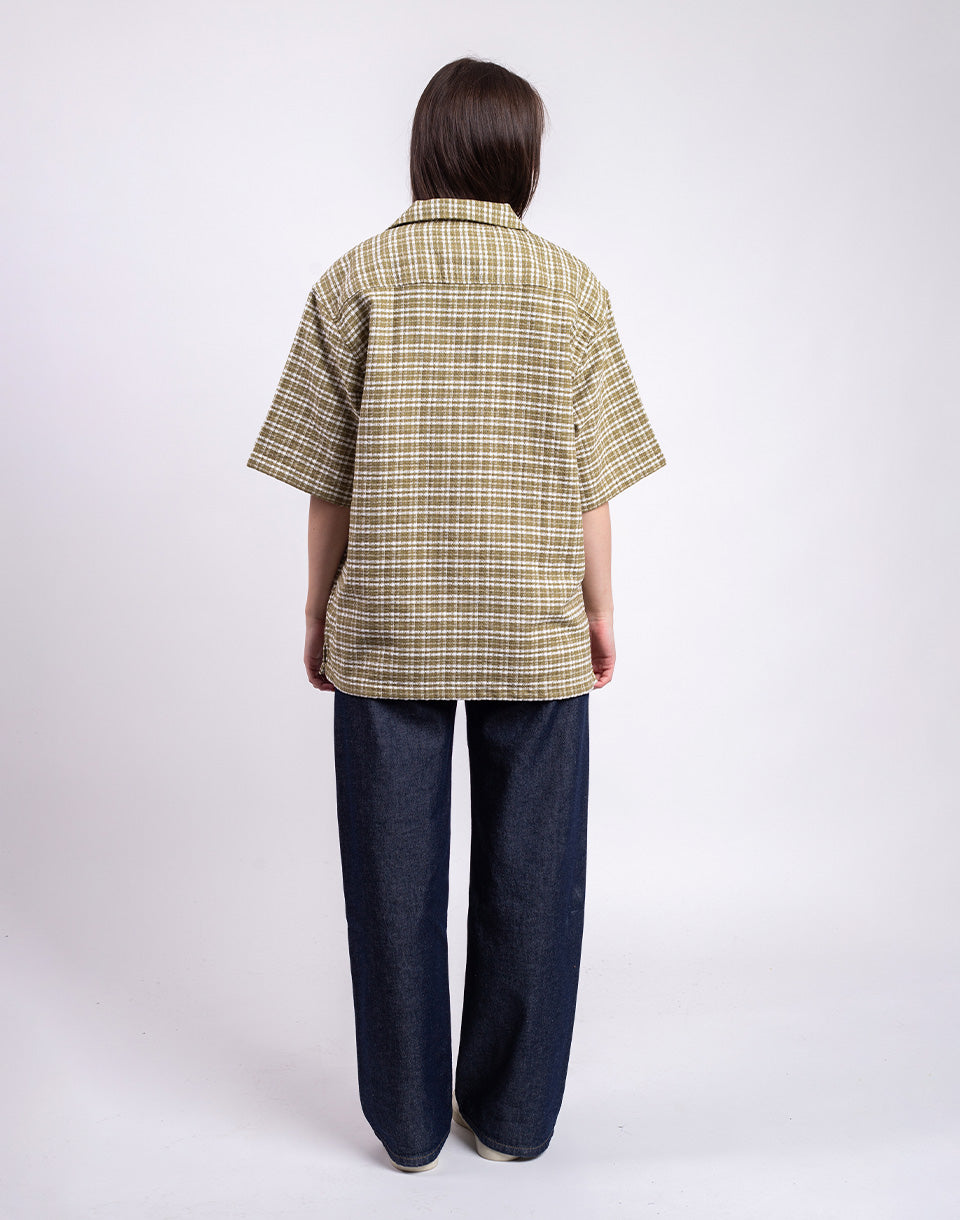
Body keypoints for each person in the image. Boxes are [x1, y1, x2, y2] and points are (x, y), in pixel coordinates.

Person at [246, 56, 667, 1173]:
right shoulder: (571, 287)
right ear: (522, 159)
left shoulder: (355, 280)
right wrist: (601, 609)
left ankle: (409, 1126)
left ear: (424, 150)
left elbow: (326, 481)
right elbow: (593, 483)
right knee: (534, 879)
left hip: (388, 618)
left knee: (390, 884)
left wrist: (317, 608)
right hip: (535, 622)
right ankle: (515, 1118)